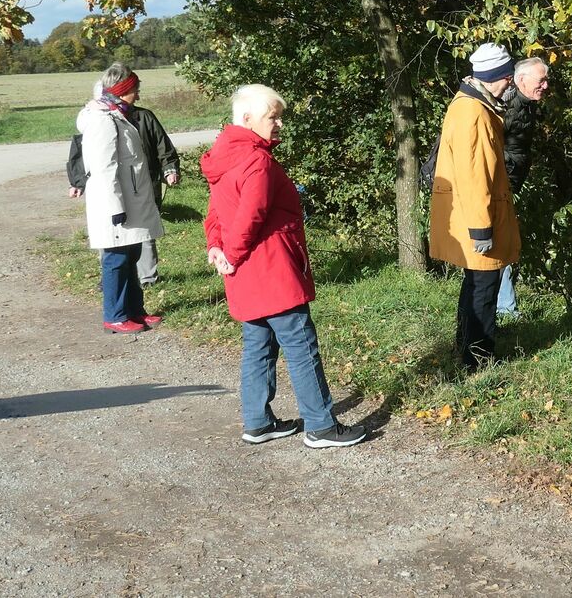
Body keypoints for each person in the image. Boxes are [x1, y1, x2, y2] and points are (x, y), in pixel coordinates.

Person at [202, 84, 365, 449]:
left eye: (278, 117)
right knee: (300, 343)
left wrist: (218, 248)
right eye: (272, 117)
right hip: (269, 267)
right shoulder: (256, 160)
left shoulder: (223, 155)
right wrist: (233, 252)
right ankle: (321, 426)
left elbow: (216, 211)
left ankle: (258, 422)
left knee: (258, 344)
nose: (278, 125)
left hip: (243, 271)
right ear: (247, 119)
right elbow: (251, 215)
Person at [429, 43, 521, 371]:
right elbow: (474, 176)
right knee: (483, 288)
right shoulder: (474, 113)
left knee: (474, 284)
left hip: (470, 213)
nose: (509, 83)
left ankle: (466, 347)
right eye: (507, 77)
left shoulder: (469, 103)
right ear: (493, 77)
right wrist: (481, 228)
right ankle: (478, 359)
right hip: (475, 217)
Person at [78, 63, 166, 334]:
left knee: (132, 254)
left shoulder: (119, 114)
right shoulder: (103, 120)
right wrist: (115, 207)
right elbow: (105, 168)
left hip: (133, 199)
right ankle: (114, 316)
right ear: (121, 90)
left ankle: (135, 311)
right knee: (116, 259)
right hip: (116, 204)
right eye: (135, 90)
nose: (138, 95)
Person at [68, 81, 181, 285]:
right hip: (112, 189)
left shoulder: (144, 117)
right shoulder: (97, 120)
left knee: (144, 232)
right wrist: (77, 182)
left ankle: (147, 278)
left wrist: (169, 169)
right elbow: (82, 153)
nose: (137, 96)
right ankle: (112, 280)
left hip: (143, 184)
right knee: (111, 237)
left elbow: (162, 144)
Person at [496, 57, 551, 319]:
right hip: (497, 188)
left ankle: (503, 308)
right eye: (541, 80)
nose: (546, 85)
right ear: (521, 80)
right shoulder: (506, 105)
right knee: (499, 246)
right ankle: (505, 310)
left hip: (508, 185)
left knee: (503, 245)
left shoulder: (526, 104)